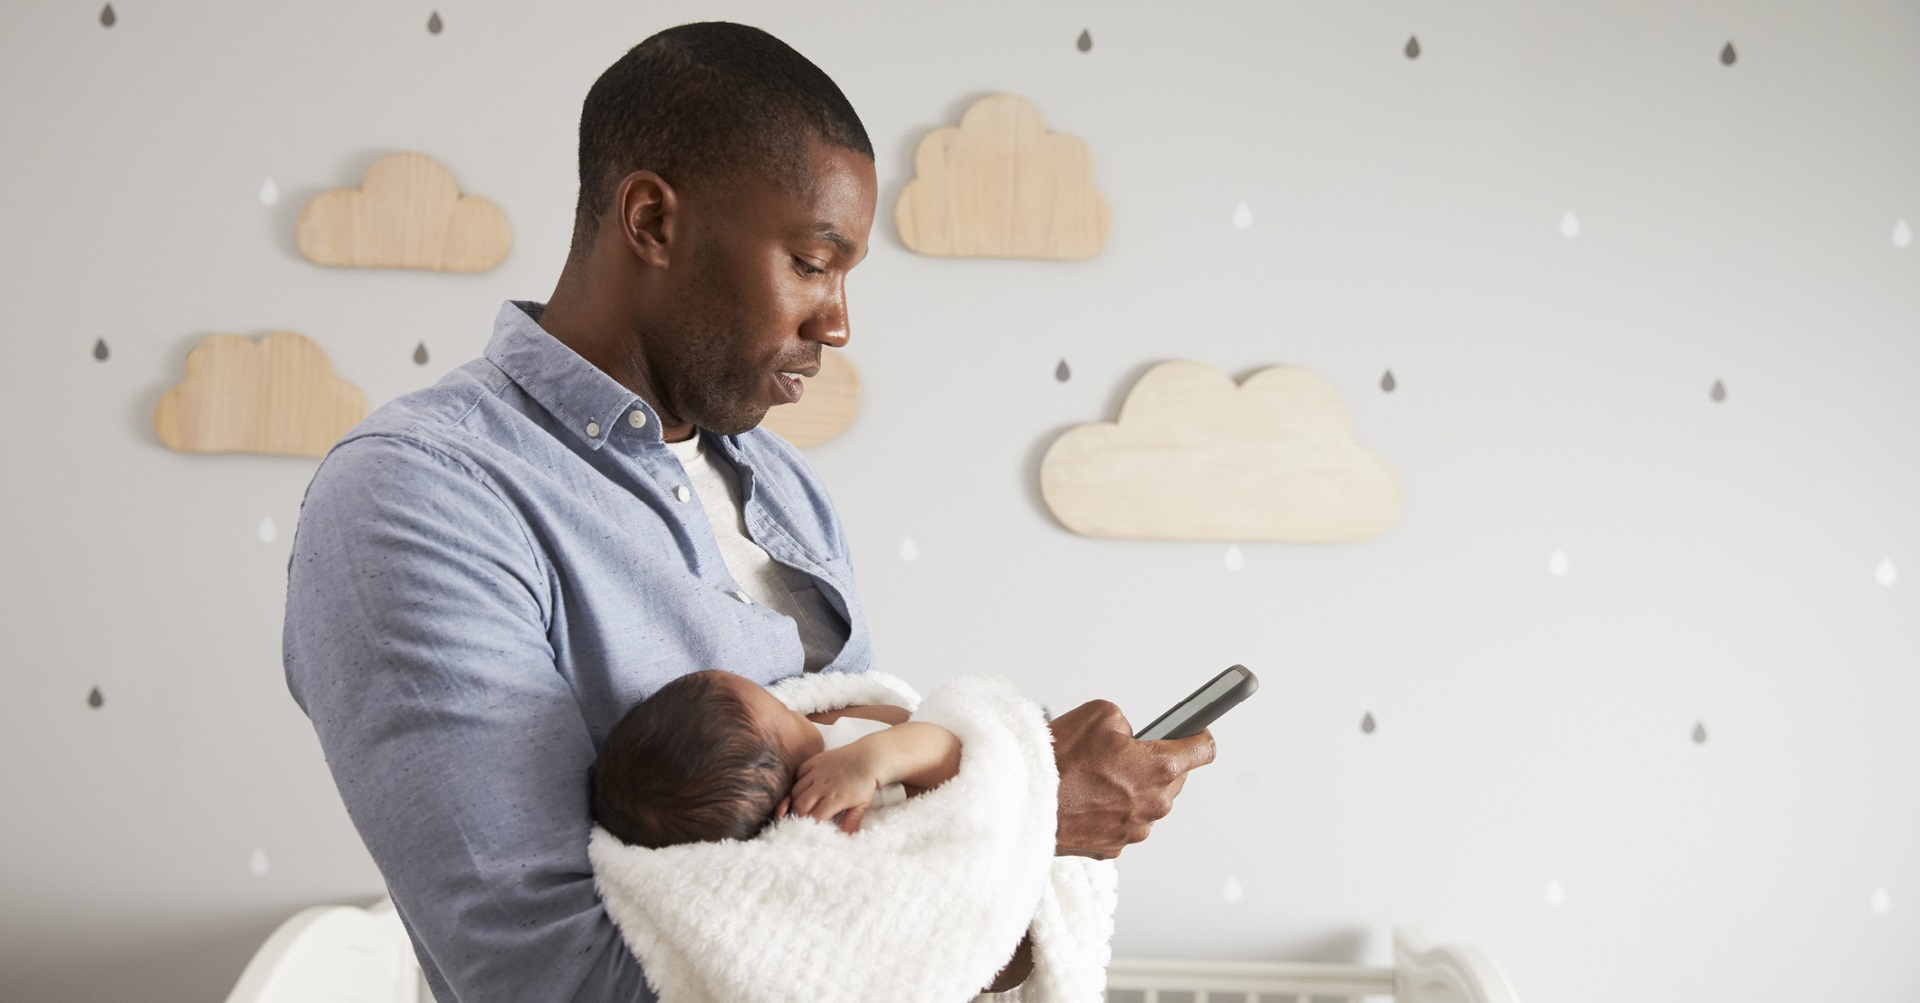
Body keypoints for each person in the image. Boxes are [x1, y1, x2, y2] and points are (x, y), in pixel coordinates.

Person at [283, 21, 1215, 1003]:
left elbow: (887, 906)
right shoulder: (419, 495)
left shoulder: (784, 489)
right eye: (813, 263)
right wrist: (1021, 815)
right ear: (651, 220)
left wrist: (1005, 820)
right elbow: (555, 981)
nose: (839, 321)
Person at [592, 668, 958, 847]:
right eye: (785, 714)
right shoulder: (846, 767)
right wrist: (876, 758)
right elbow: (955, 756)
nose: (800, 711)